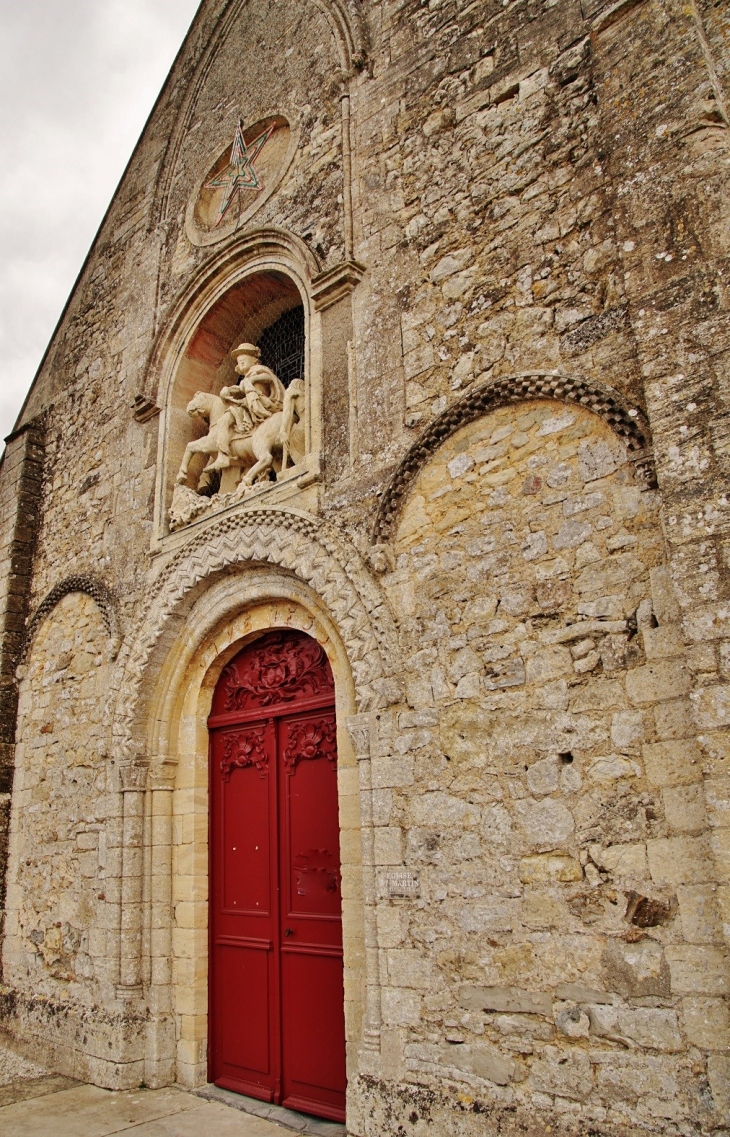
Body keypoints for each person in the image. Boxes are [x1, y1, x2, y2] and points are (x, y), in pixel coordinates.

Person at [214, 342, 285, 468]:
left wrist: (252, 380)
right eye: (238, 360)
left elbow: (268, 377)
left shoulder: (258, 369)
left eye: (244, 357)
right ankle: (223, 454)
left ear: (254, 359)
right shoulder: (245, 379)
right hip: (248, 406)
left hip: (262, 404)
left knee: (224, 421)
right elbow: (239, 389)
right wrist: (228, 390)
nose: (240, 360)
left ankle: (223, 456)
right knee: (223, 421)